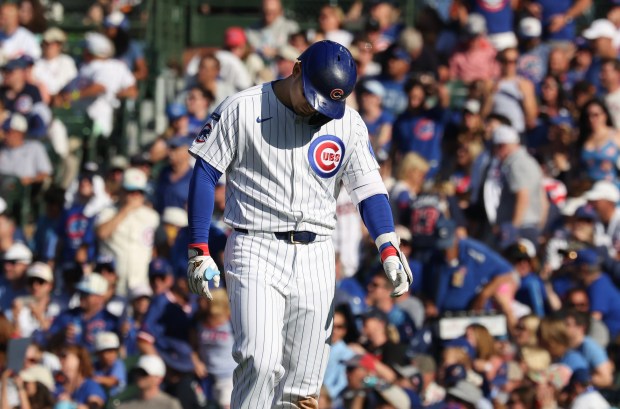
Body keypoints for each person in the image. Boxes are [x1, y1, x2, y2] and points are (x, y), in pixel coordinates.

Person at [186, 40, 412, 408]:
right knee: (259, 361)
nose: (318, 108)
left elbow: (368, 188)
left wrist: (387, 243)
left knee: (303, 387)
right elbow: (206, 171)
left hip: (318, 253)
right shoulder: (242, 107)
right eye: (313, 96)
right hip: (254, 244)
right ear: (296, 70)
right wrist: (198, 247)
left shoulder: (346, 122)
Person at [96, 168, 160, 295]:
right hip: (113, 285)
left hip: (140, 284)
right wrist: (126, 209)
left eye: (138, 192)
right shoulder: (108, 212)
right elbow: (101, 233)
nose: (134, 196)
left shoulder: (152, 217)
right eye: (130, 191)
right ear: (122, 191)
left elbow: (160, 246)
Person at [116, 355, 182, 409]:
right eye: (137, 372)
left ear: (159, 378)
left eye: (144, 373)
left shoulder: (170, 405)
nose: (139, 376)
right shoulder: (124, 405)